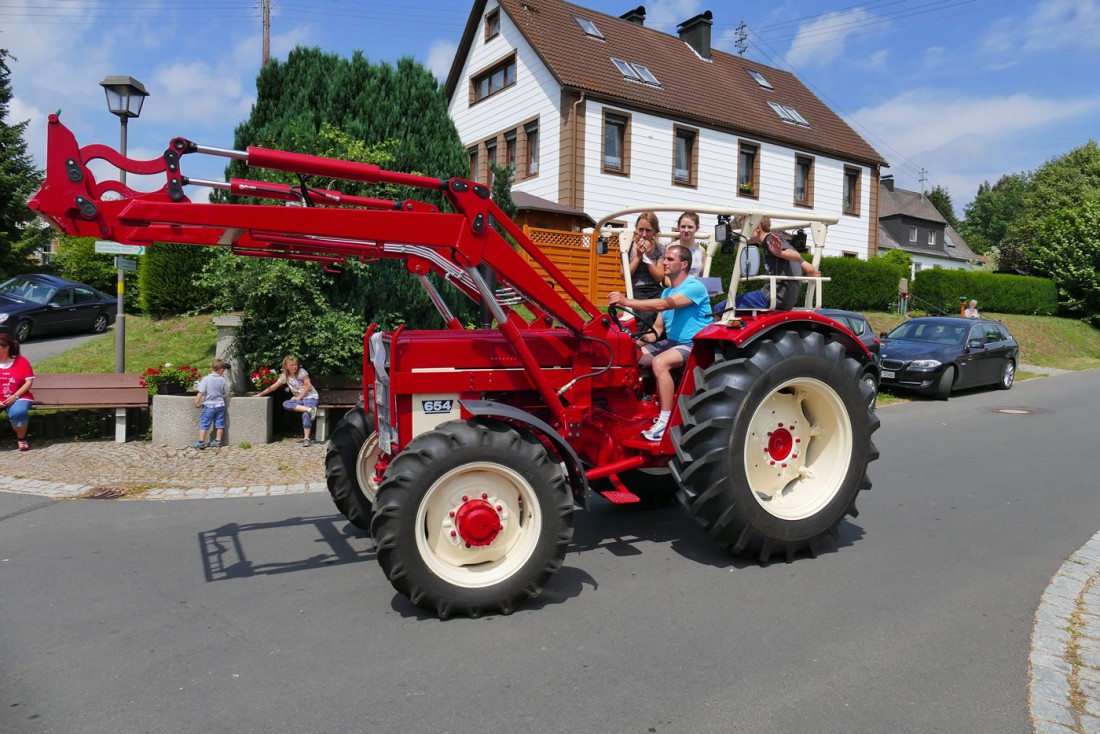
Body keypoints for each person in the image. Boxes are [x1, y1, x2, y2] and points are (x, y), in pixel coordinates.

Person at [609, 245, 712, 442]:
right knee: (632, 356)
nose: (664, 262)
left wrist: (626, 301)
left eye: (669, 259)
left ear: (684, 264)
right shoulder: (666, 292)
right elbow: (657, 330)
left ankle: (665, 420)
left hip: (694, 345)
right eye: (664, 258)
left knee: (659, 362)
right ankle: (635, 408)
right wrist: (635, 341)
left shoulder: (695, 287)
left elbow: (665, 305)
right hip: (671, 342)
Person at [734, 216, 819, 311]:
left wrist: (781, 253)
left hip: (772, 297)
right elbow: (810, 269)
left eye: (744, 229)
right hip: (786, 302)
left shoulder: (770, 240)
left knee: (724, 307)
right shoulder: (781, 243)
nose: (742, 234)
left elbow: (796, 256)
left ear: (758, 228)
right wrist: (813, 280)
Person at [255, 354, 319, 446]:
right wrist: (260, 394)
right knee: (286, 403)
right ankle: (310, 409)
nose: (294, 367)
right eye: (291, 365)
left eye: (295, 364)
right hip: (299, 399)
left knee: (306, 414)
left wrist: (299, 397)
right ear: (286, 366)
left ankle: (306, 438)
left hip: (310, 397)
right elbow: (273, 387)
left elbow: (308, 385)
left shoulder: (302, 372)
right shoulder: (285, 376)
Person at [625, 212, 667, 332]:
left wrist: (646, 258)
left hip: (654, 288)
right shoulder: (627, 246)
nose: (644, 234)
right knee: (646, 314)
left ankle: (664, 340)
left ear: (655, 231)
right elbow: (624, 275)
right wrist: (638, 256)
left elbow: (659, 277)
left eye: (648, 230)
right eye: (641, 229)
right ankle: (640, 344)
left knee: (669, 308)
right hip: (635, 289)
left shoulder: (660, 248)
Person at [0, 333, 34, 451]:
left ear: (6, 347)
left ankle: (21, 439)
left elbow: (28, 381)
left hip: (19, 396)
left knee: (19, 411)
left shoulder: (21, 361)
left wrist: (15, 396)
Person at [192, 358, 229, 449]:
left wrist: (197, 402)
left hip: (209, 405)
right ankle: (218, 441)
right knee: (220, 423)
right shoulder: (222, 380)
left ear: (211, 368)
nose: (223, 372)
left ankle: (201, 442)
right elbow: (225, 392)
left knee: (204, 423)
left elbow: (201, 392)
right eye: (223, 370)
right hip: (220, 405)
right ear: (220, 370)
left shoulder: (206, 379)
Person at [674, 212, 707, 278]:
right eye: (683, 226)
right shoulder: (671, 248)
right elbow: (666, 277)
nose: (686, 230)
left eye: (690, 227)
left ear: (697, 228)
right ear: (678, 227)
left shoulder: (701, 250)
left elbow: (704, 276)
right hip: (677, 288)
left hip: (696, 287)